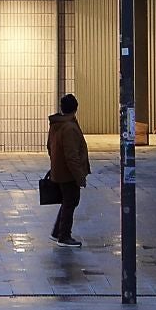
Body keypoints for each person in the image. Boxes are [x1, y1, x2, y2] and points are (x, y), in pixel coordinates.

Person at [47, 93, 91, 247]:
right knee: (71, 202)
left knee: (67, 201)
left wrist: (55, 163)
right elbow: (72, 156)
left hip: (59, 170)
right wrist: (79, 176)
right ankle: (64, 236)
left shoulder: (56, 124)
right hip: (68, 174)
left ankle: (57, 231)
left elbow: (49, 147)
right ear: (76, 108)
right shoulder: (69, 127)